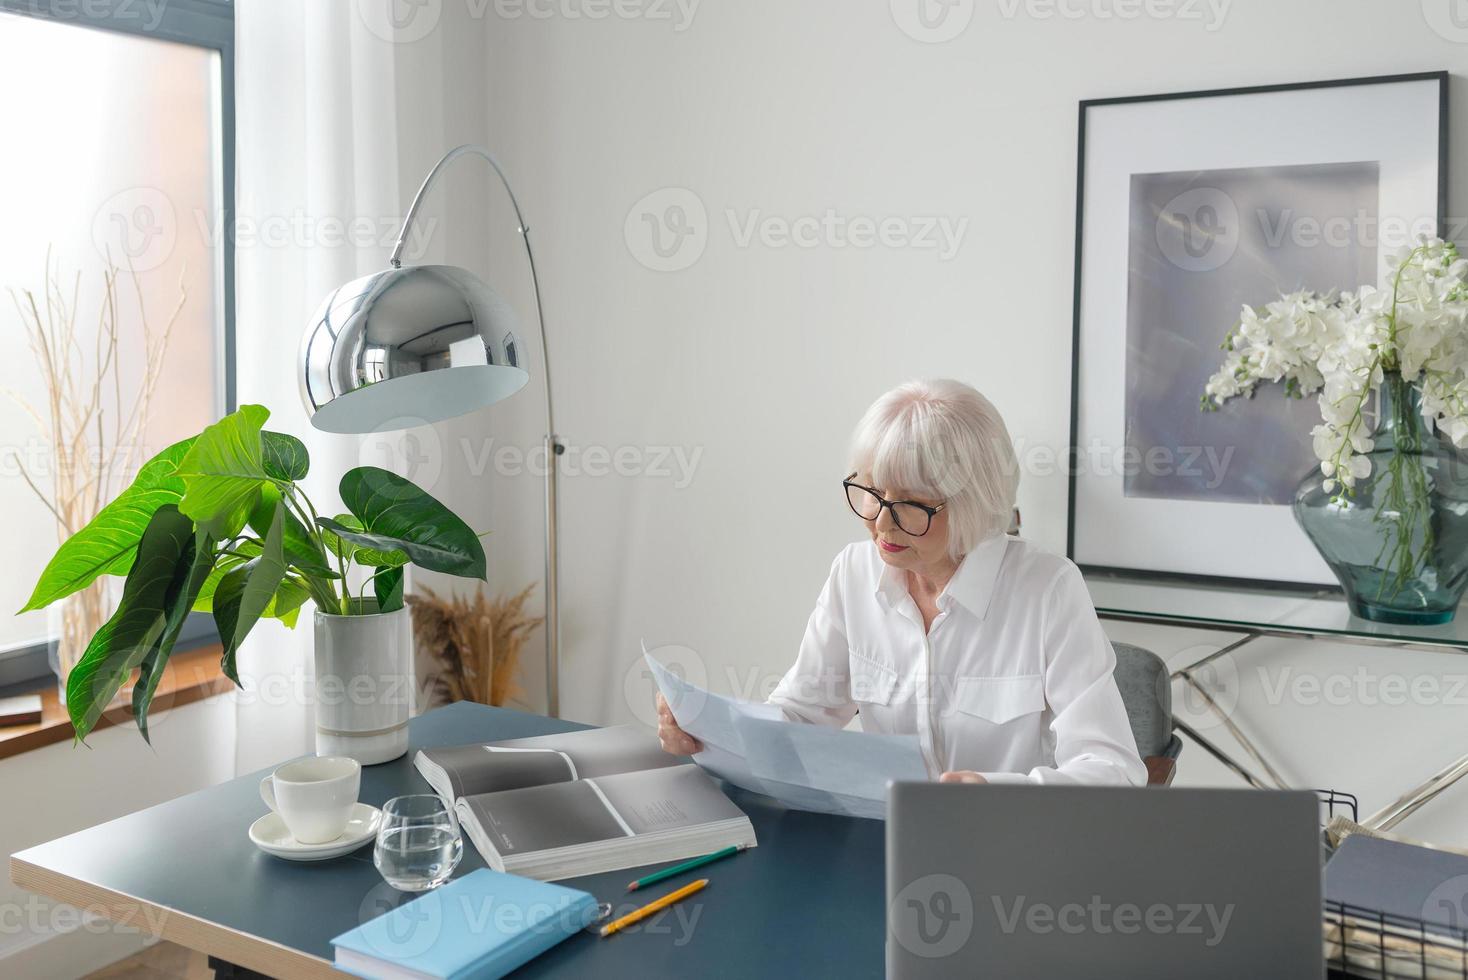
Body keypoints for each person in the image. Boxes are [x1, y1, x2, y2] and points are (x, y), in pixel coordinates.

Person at [657, 379, 1145, 786]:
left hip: (1006, 852)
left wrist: (997, 794)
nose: (881, 525)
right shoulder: (854, 574)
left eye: (911, 504)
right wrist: (711, 732)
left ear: (974, 502)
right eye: (871, 492)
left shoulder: (1048, 589)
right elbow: (802, 716)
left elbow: (1114, 770)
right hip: (879, 842)